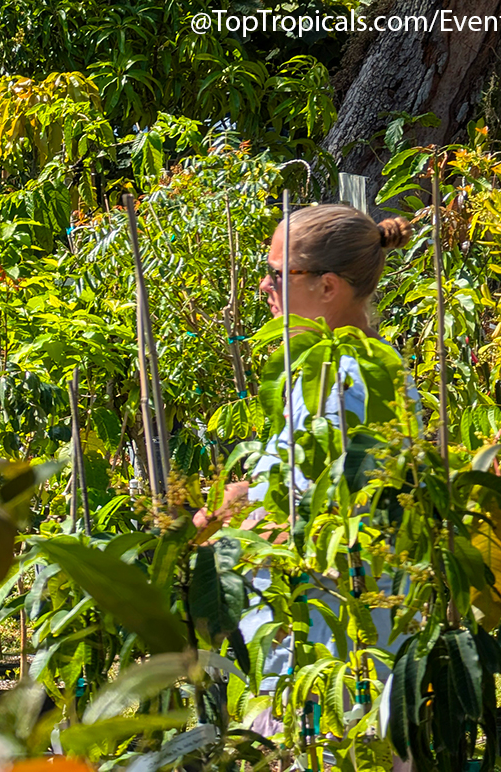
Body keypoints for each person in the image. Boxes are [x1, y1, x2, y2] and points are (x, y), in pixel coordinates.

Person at [191, 203, 420, 753]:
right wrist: (239, 498)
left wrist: (224, 528)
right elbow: (295, 484)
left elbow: (314, 518)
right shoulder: (322, 368)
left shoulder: (348, 381)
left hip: (334, 639)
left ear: (328, 287)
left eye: (276, 273)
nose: (265, 286)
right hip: (317, 633)